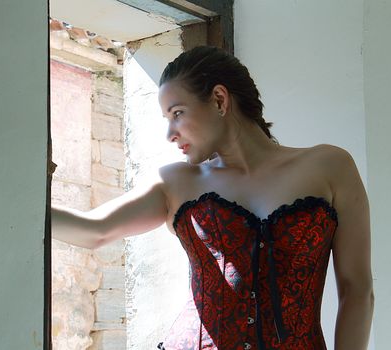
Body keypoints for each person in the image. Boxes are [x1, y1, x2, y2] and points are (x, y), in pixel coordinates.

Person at [51, 46, 374, 349]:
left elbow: (357, 289)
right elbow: (95, 230)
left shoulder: (330, 166)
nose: (170, 133)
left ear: (219, 99)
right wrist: (14, 201)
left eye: (177, 113)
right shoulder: (175, 183)